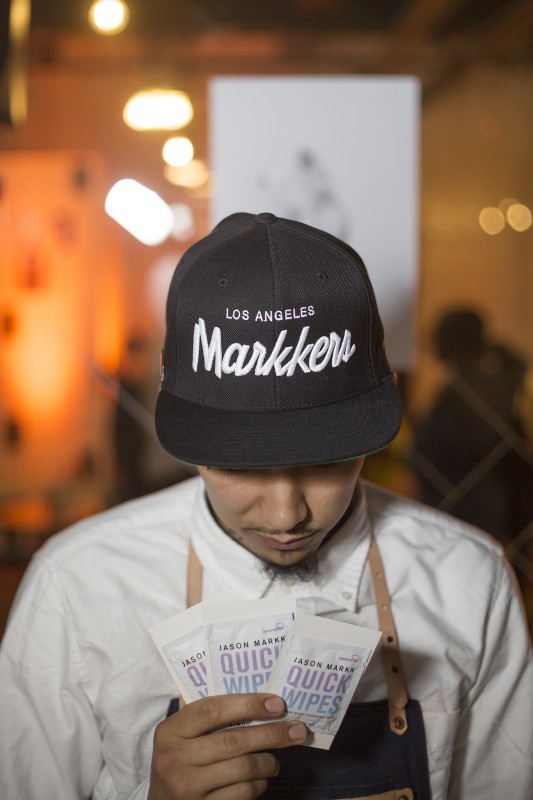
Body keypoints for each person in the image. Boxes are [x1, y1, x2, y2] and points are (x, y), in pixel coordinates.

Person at [0, 212, 531, 800]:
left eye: (326, 461)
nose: (286, 517)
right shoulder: (77, 588)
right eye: (240, 464)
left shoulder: (468, 580)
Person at [410, 308, 533, 547]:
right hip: (481, 508)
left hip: (468, 511)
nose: (433, 343)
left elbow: (430, 449)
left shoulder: (470, 391)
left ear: (453, 341)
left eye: (439, 335)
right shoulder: (496, 380)